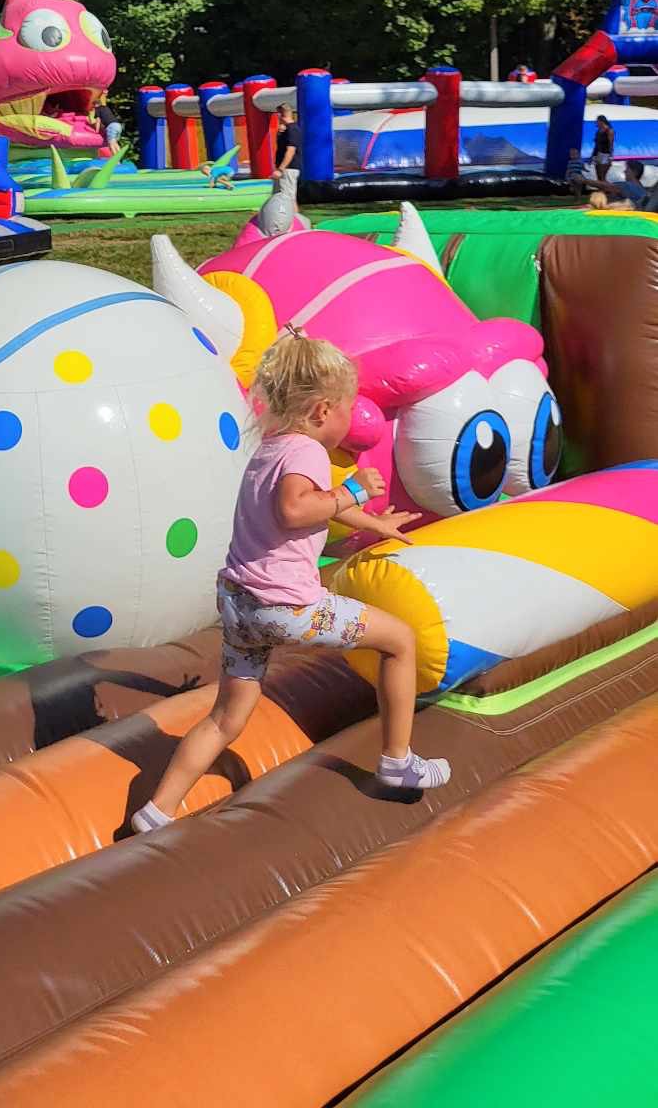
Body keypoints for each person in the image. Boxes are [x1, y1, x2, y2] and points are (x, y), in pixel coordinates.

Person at [130, 332, 448, 836]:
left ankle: (156, 811)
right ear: (323, 410)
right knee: (400, 641)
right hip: (287, 608)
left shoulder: (271, 449)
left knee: (226, 718)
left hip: (239, 605)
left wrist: (370, 523)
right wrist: (352, 487)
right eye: (349, 406)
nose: (352, 416)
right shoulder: (307, 452)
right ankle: (397, 760)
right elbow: (296, 509)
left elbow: (292, 512)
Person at [274, 107, 301, 176]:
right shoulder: (288, 129)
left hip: (288, 169)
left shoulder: (292, 129)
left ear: (280, 115)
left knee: (286, 187)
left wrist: (280, 169)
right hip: (285, 168)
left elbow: (291, 150)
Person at [593, 115, 615, 183]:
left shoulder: (609, 131)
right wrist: (593, 155)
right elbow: (596, 144)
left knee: (602, 176)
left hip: (605, 155)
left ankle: (608, 190)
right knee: (598, 175)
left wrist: (610, 157)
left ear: (601, 122)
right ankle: (601, 190)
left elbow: (611, 144)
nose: (596, 123)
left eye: (597, 121)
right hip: (598, 153)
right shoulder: (598, 131)